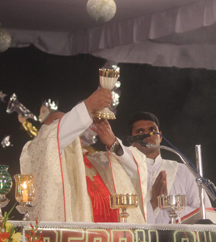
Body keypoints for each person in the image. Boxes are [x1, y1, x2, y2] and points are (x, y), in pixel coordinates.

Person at [20, 88, 148, 223]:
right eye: (57, 123)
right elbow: (54, 136)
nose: (68, 127)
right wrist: (88, 106)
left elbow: (137, 169)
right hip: (71, 234)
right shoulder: (36, 150)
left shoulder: (95, 159)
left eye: (65, 121)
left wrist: (113, 143)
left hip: (111, 233)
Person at [128, 112, 210, 224]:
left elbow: (205, 213)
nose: (147, 135)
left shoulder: (183, 171)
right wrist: (153, 204)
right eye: (140, 132)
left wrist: (171, 207)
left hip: (181, 235)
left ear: (160, 136)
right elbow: (123, 214)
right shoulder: (125, 171)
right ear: (131, 140)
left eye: (152, 130)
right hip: (140, 235)